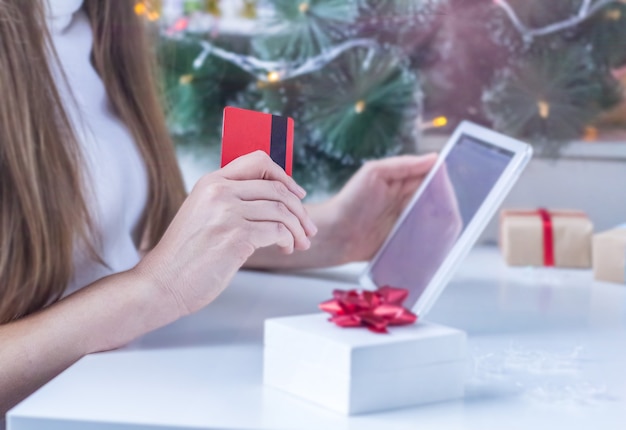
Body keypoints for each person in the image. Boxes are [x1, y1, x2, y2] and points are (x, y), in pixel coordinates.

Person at [0, 0, 437, 417]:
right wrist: (153, 290)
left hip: (116, 390)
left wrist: (329, 233)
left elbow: (104, 240)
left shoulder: (88, 22)